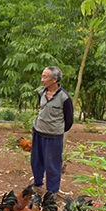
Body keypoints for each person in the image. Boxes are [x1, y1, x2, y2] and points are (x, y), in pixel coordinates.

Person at [31, 66, 74, 194]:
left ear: (54, 79)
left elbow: (69, 120)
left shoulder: (65, 98)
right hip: (38, 132)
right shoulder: (41, 93)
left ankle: (52, 192)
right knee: (36, 161)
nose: (42, 79)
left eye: (45, 77)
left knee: (53, 165)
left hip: (54, 136)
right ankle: (37, 185)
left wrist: (57, 129)